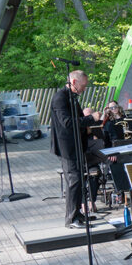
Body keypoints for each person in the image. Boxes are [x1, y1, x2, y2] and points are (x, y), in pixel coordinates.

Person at [50, 69, 91, 228]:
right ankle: (71, 218)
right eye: (83, 85)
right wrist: (89, 119)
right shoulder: (60, 97)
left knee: (79, 180)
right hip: (67, 147)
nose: (84, 89)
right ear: (74, 82)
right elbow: (67, 122)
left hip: (77, 145)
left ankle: (78, 213)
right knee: (73, 181)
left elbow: (79, 118)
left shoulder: (72, 97)